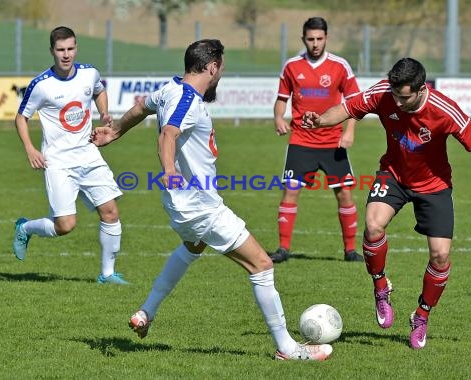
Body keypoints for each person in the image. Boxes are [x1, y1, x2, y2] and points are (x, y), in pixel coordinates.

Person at [90, 39, 332, 361]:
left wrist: (115, 131)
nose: (221, 76)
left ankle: (146, 312)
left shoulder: (169, 89)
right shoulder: (187, 100)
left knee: (193, 248)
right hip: (199, 206)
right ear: (212, 67)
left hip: (180, 205)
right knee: (261, 264)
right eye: (221, 70)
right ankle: (288, 348)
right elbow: (169, 134)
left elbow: (140, 108)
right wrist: (168, 168)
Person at [301, 57, 471, 349]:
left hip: (434, 186)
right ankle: (381, 288)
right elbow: (347, 107)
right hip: (393, 175)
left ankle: (421, 316)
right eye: (395, 96)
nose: (398, 104)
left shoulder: (445, 110)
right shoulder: (384, 93)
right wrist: (320, 120)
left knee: (440, 256)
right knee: (373, 225)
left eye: (404, 98)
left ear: (419, 89)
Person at [13, 26, 128, 285]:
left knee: (110, 212)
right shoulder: (42, 85)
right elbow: (21, 118)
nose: (66, 55)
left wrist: (105, 114)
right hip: (58, 162)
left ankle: (108, 275)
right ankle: (25, 228)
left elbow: (99, 90)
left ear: (76, 48)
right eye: (61, 50)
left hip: (89, 154)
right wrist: (31, 149)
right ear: (52, 51)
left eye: (71, 48)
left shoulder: (89, 74)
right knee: (65, 226)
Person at [269, 17, 363, 263]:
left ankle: (350, 250)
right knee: (290, 191)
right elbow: (281, 98)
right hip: (301, 140)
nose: (315, 44)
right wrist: (279, 117)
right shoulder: (291, 66)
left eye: (319, 38)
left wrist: (349, 131)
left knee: (344, 194)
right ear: (303, 39)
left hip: (333, 142)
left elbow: (355, 103)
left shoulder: (340, 66)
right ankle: (283, 249)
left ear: (326, 38)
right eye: (310, 39)